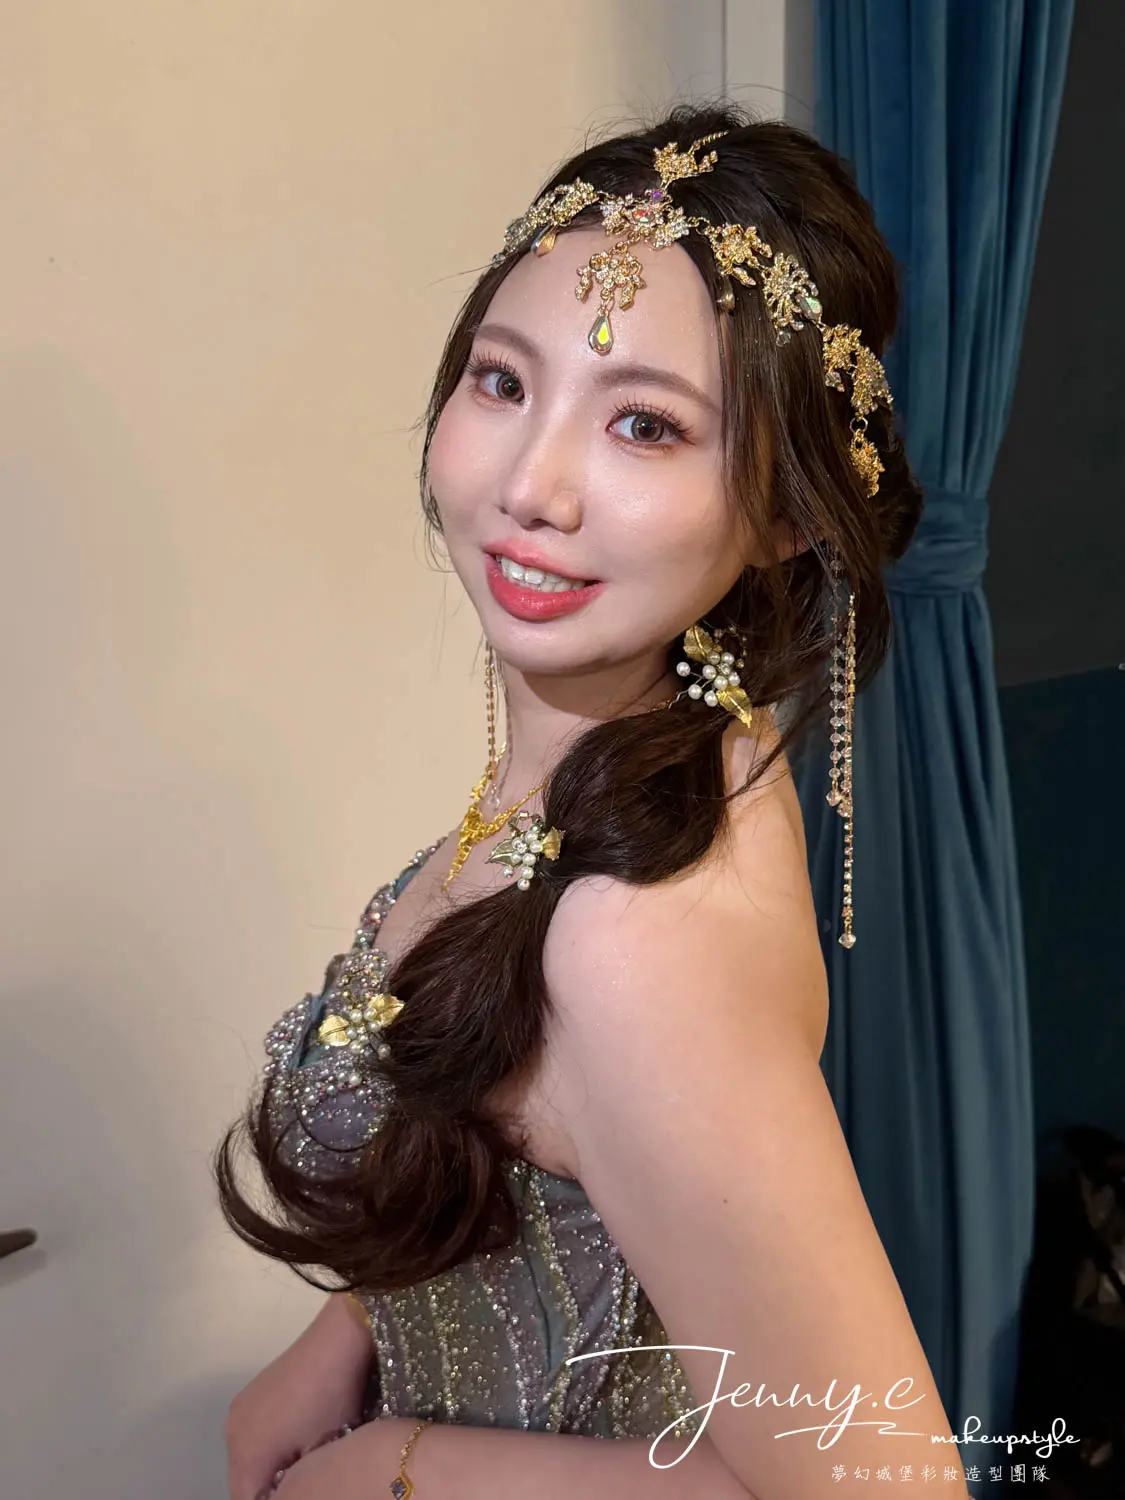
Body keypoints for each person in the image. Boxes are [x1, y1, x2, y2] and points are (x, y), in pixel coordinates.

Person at [214, 103, 970, 1500]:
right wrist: (352, 1328)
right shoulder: (663, 760)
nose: (532, 486)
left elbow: (885, 1485)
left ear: (787, 513)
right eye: (504, 382)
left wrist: (397, 1468)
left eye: (644, 424)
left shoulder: (638, 937)